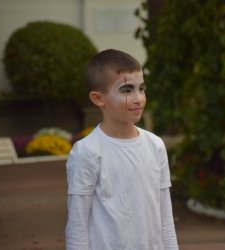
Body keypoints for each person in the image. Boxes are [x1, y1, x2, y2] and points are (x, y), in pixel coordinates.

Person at [65, 49, 179, 249]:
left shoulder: (155, 146)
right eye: (127, 90)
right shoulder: (87, 152)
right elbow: (77, 224)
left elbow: (165, 216)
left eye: (141, 88)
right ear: (98, 99)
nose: (138, 98)